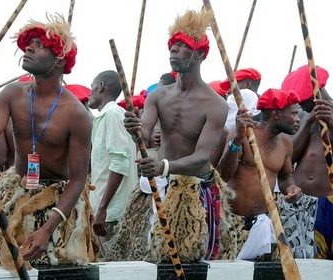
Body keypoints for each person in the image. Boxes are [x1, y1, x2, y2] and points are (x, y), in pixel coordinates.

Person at [106, 9, 235, 262]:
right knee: (145, 259)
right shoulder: (158, 96)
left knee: (189, 262)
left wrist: (163, 166)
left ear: (199, 54)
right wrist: (134, 129)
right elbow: (143, 136)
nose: (173, 50)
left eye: (182, 46)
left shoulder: (215, 104)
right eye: (172, 45)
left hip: (193, 191)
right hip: (157, 186)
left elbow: (200, 157)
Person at [0, 14, 98, 272]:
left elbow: (78, 180)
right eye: (28, 43)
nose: (28, 48)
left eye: (39, 45)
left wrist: (47, 228)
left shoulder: (76, 114)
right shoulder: (11, 95)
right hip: (17, 192)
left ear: (59, 61)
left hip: (60, 204)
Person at [218, 88, 302, 260]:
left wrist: (291, 188)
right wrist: (237, 140)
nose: (298, 119)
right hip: (234, 224)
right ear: (277, 114)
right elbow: (224, 175)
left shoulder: (286, 143)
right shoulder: (243, 133)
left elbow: (285, 177)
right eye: (294, 114)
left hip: (263, 224)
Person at [280, 64, 333, 259]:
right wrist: (309, 121)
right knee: (301, 261)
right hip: (302, 202)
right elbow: (290, 156)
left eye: (305, 101)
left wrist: (331, 123)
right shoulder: (302, 117)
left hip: (329, 201)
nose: (301, 105)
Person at [88, 70, 138, 257]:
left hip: (111, 215)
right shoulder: (103, 118)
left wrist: (102, 209)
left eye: (92, 87)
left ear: (101, 86)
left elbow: (119, 163)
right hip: (104, 212)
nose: (89, 93)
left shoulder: (114, 114)